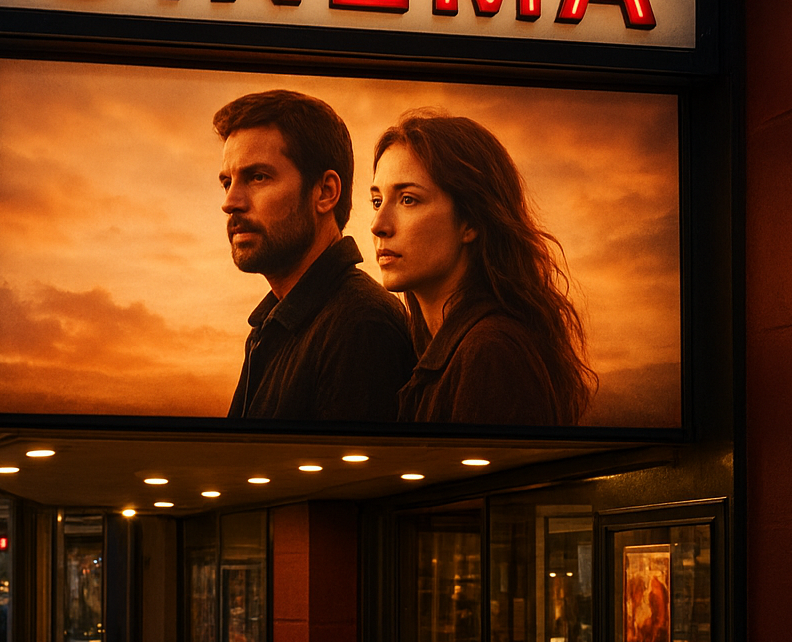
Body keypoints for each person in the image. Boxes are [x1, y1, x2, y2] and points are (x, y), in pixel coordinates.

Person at [369, 111, 595, 425]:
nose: (377, 225)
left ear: (471, 220)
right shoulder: (440, 351)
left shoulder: (490, 353)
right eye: (377, 201)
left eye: (408, 199)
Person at [215, 90, 415, 421]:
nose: (230, 202)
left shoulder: (359, 327)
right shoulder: (272, 326)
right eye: (227, 182)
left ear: (325, 192)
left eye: (257, 177)